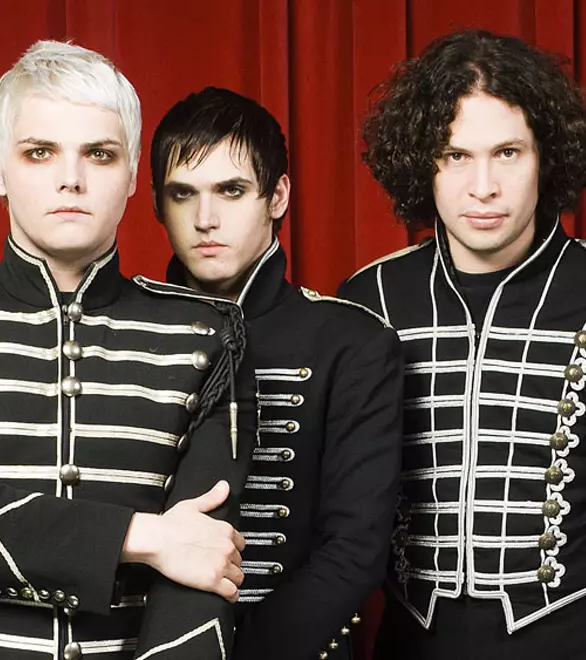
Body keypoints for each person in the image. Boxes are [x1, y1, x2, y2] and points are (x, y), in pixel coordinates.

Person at [0, 41, 254, 660]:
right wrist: (142, 536)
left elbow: (203, 565)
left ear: (132, 178)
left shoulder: (210, 333)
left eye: (100, 154)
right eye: (40, 152)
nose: (71, 177)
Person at [339, 29, 586, 658]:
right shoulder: (371, 297)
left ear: (546, 157)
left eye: (508, 153)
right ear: (421, 161)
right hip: (409, 642)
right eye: (454, 155)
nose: (483, 186)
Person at [152, 86, 403, 660]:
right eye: (183, 193)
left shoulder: (352, 342)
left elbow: (355, 549)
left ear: (278, 196)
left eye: (232, 190)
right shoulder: (124, 333)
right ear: (158, 205)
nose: (205, 219)